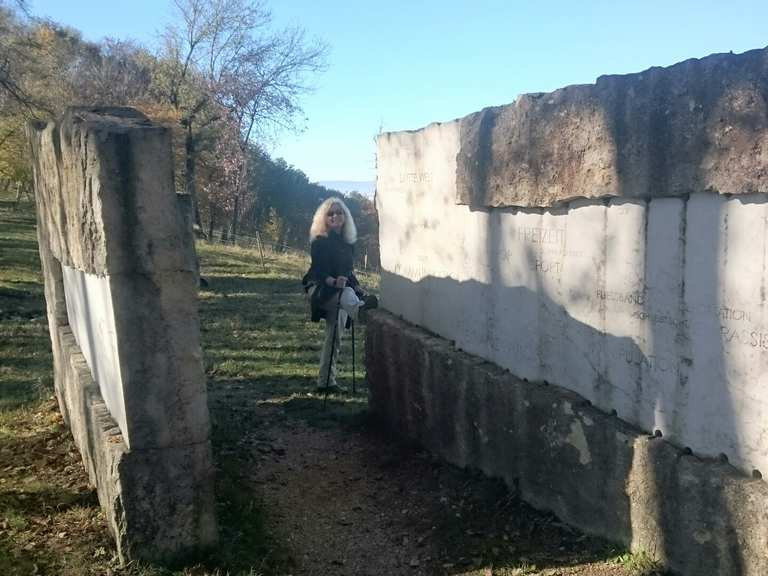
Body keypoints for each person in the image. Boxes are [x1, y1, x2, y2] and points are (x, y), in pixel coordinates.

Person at [305, 197, 375, 391]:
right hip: (320, 289)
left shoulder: (347, 244)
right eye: (330, 213)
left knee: (334, 336)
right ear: (324, 218)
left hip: (341, 290)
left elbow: (348, 272)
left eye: (339, 212)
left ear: (345, 216)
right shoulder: (320, 242)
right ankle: (360, 312)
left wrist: (358, 287)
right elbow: (318, 271)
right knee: (347, 294)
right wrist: (334, 281)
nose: (335, 215)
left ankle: (326, 382)